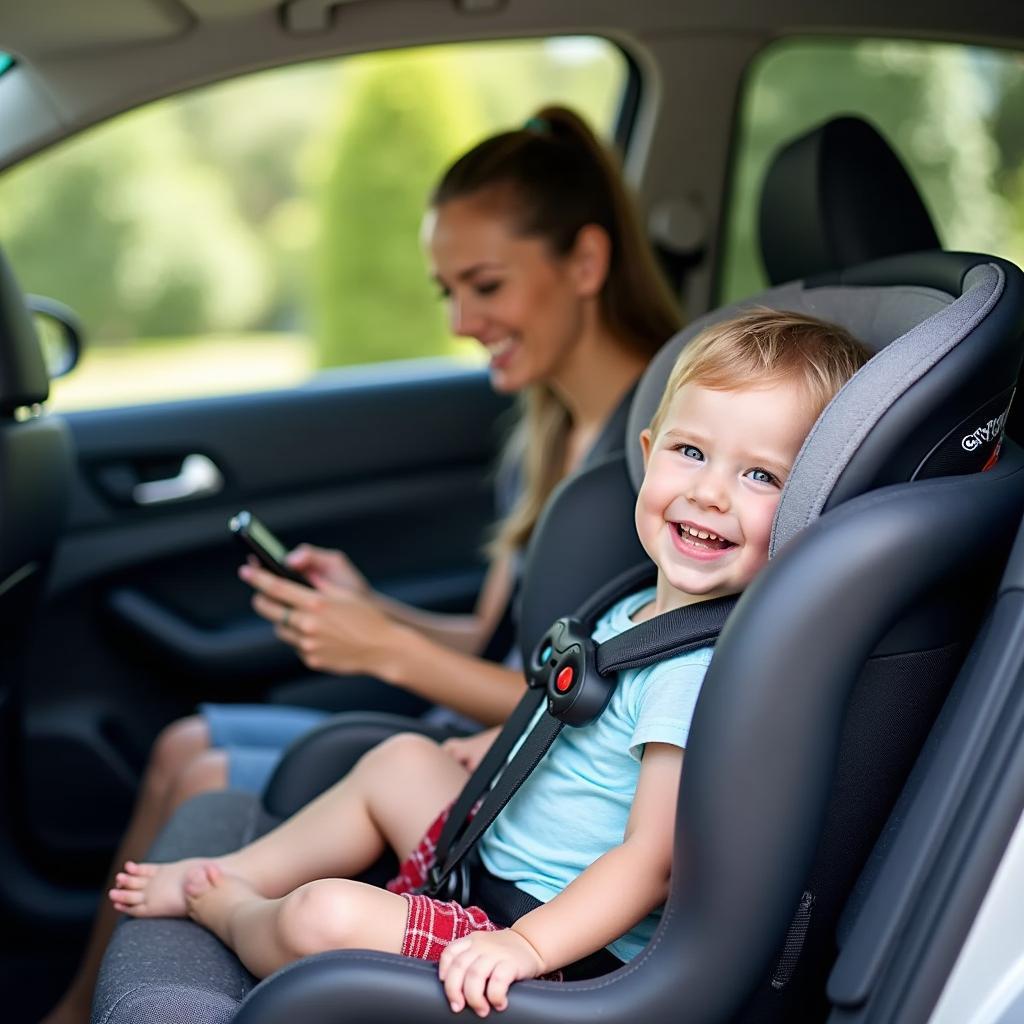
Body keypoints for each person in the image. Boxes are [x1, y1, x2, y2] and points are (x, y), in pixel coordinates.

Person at [44, 106, 681, 1024]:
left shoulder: (643, 483)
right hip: (463, 750)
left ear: (584, 263)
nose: (463, 321)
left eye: (486, 284)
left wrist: (387, 652)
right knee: (188, 746)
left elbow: (580, 707)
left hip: (508, 777)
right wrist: (373, 610)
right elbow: (495, 640)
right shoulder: (543, 437)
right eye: (447, 292)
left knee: (194, 759)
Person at [107, 309, 871, 1018]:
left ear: (809, 501)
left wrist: (526, 946)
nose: (709, 493)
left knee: (324, 914)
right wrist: (495, 751)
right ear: (649, 455)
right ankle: (247, 869)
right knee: (403, 758)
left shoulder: (693, 674)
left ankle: (234, 909)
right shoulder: (632, 607)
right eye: (692, 452)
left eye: (760, 476)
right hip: (495, 861)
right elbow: (563, 725)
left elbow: (651, 861)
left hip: (550, 946)